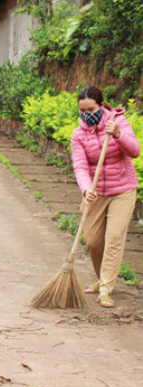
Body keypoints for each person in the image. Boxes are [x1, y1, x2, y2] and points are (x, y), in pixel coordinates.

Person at [71, 86, 140, 308]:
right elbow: (80, 166)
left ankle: (106, 289)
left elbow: (135, 151)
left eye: (91, 109)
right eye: (82, 111)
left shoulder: (118, 121)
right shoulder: (78, 135)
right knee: (92, 240)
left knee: (114, 239)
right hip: (96, 192)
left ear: (101, 106)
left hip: (122, 189)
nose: (86, 114)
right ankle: (102, 277)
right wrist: (85, 188)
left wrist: (118, 135)